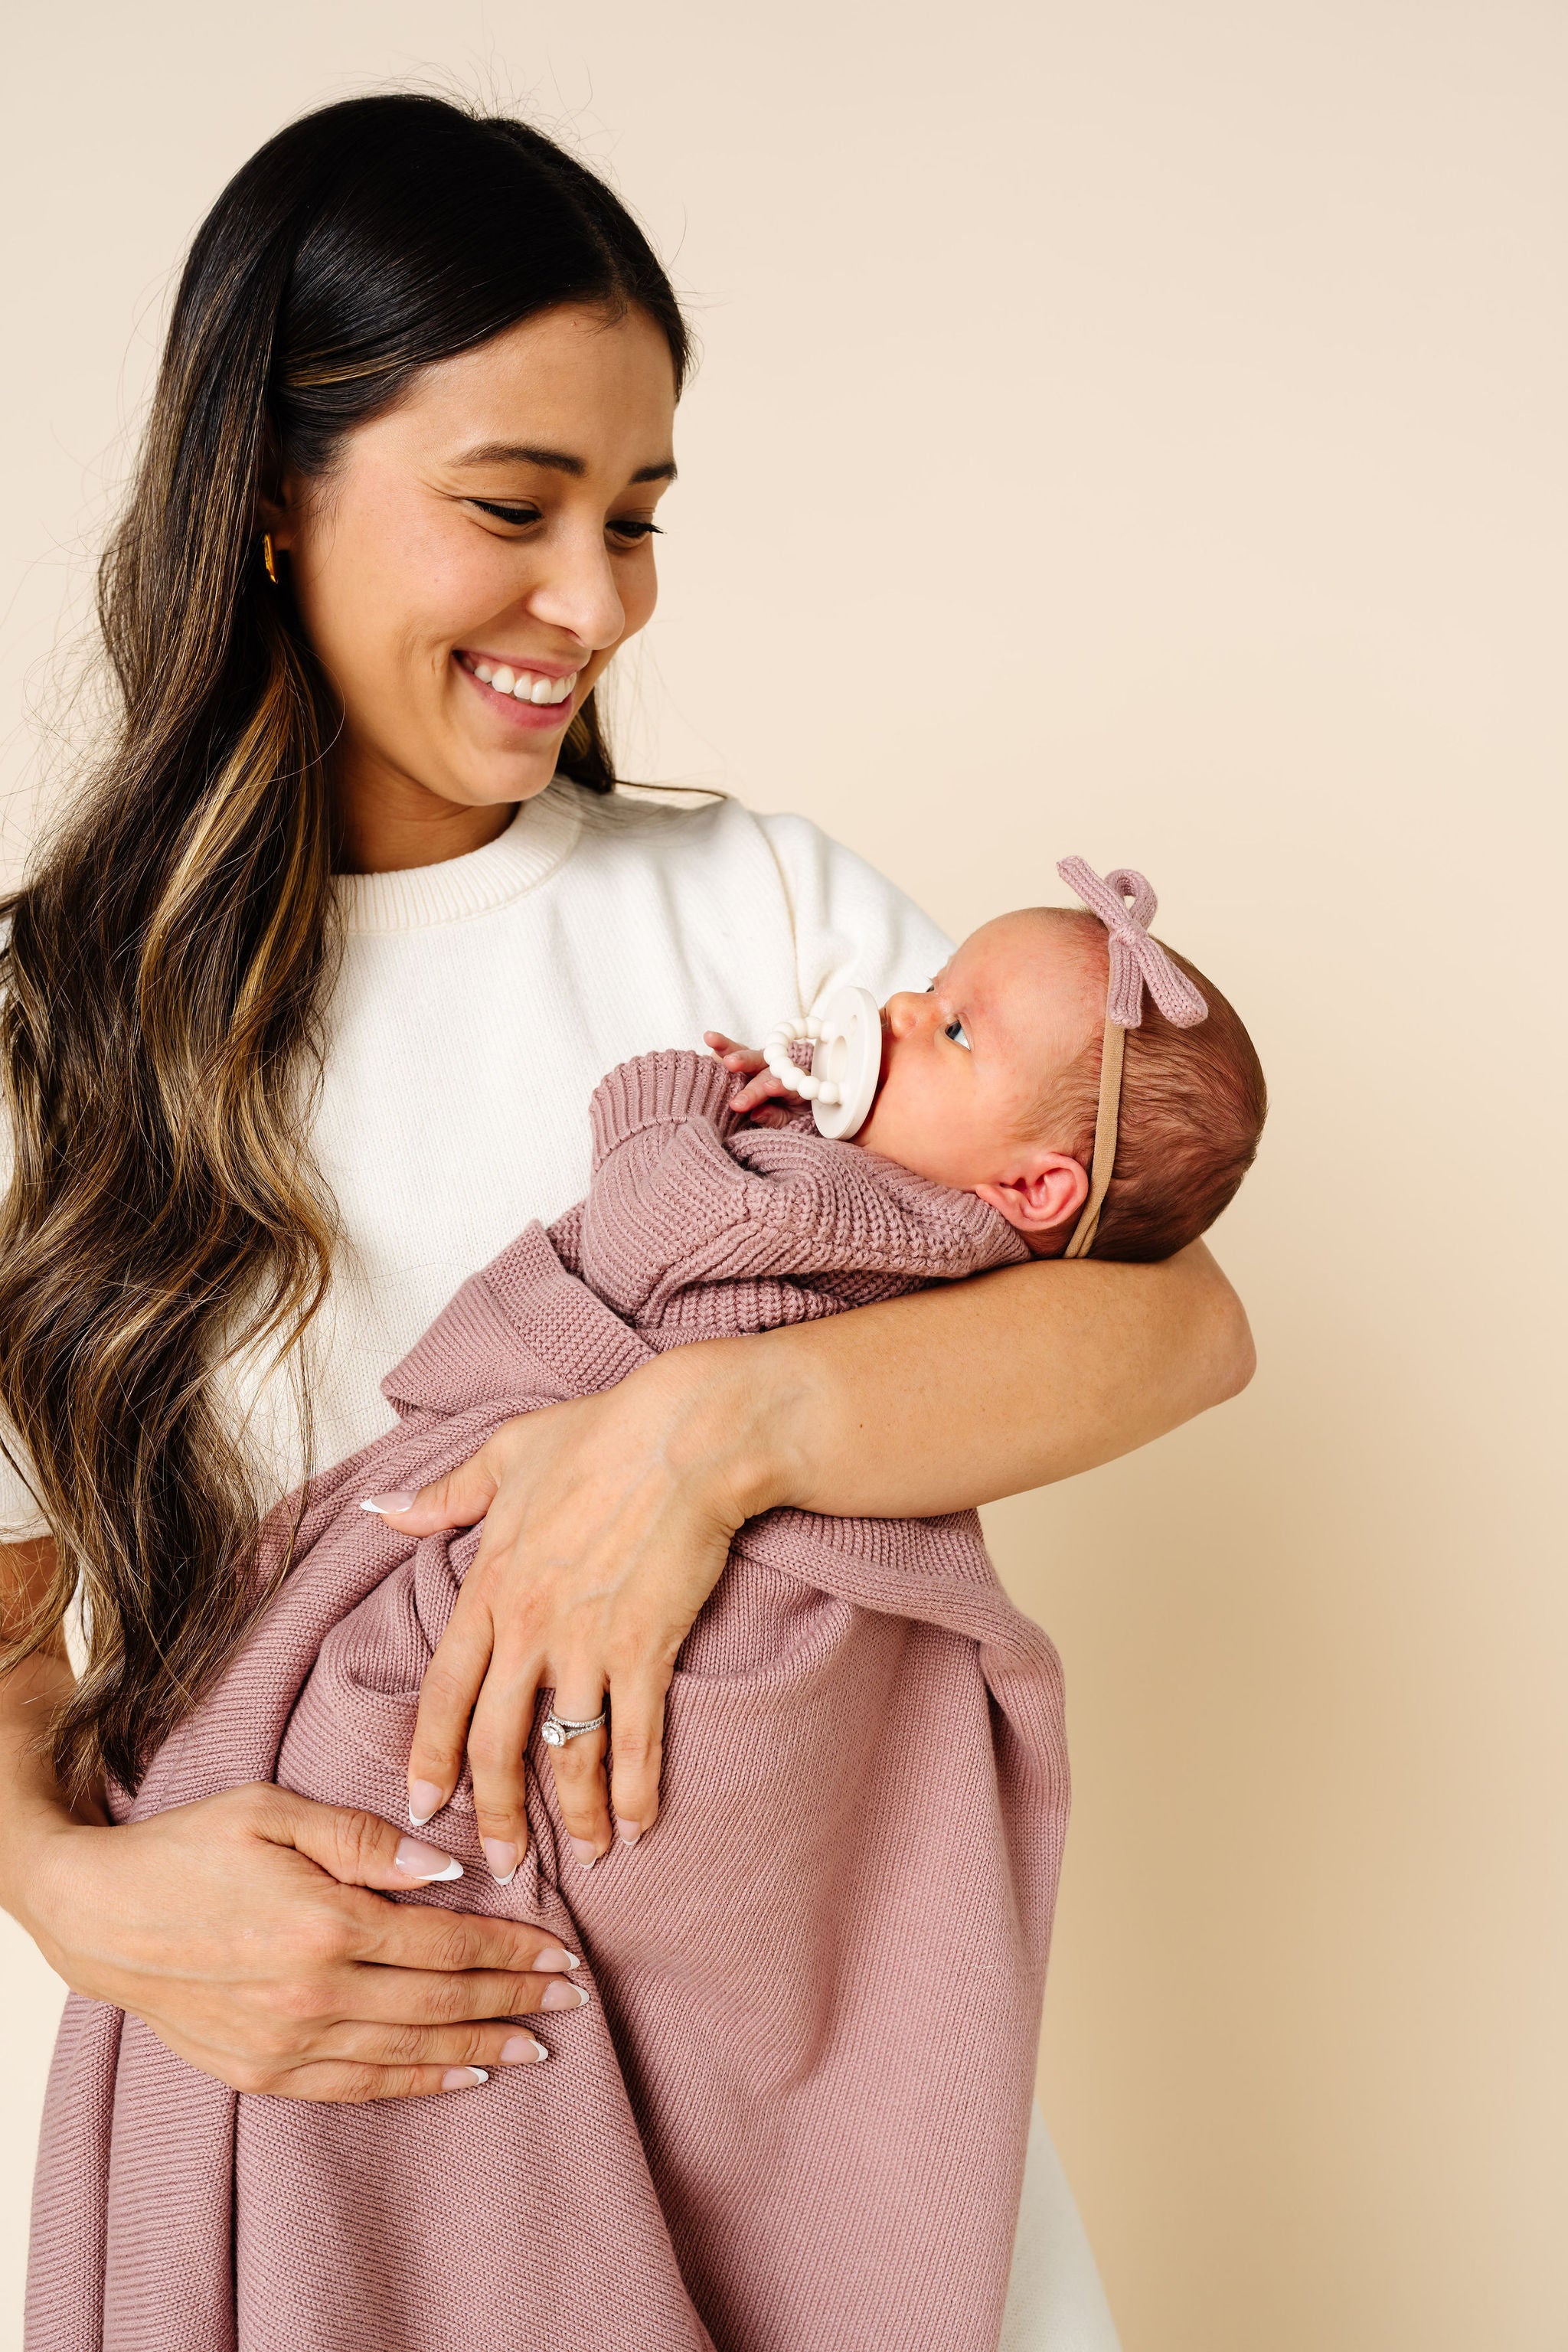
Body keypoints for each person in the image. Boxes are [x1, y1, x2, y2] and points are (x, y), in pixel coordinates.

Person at [0, 94, 1253, 2349]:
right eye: (513, 508)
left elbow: (1175, 1328)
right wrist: (71, 1893)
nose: (594, 602)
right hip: (360, 2141)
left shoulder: (755, 913)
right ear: (268, 494)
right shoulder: (48, 1032)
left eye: (638, 517)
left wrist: (697, 1438)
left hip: (814, 2121)